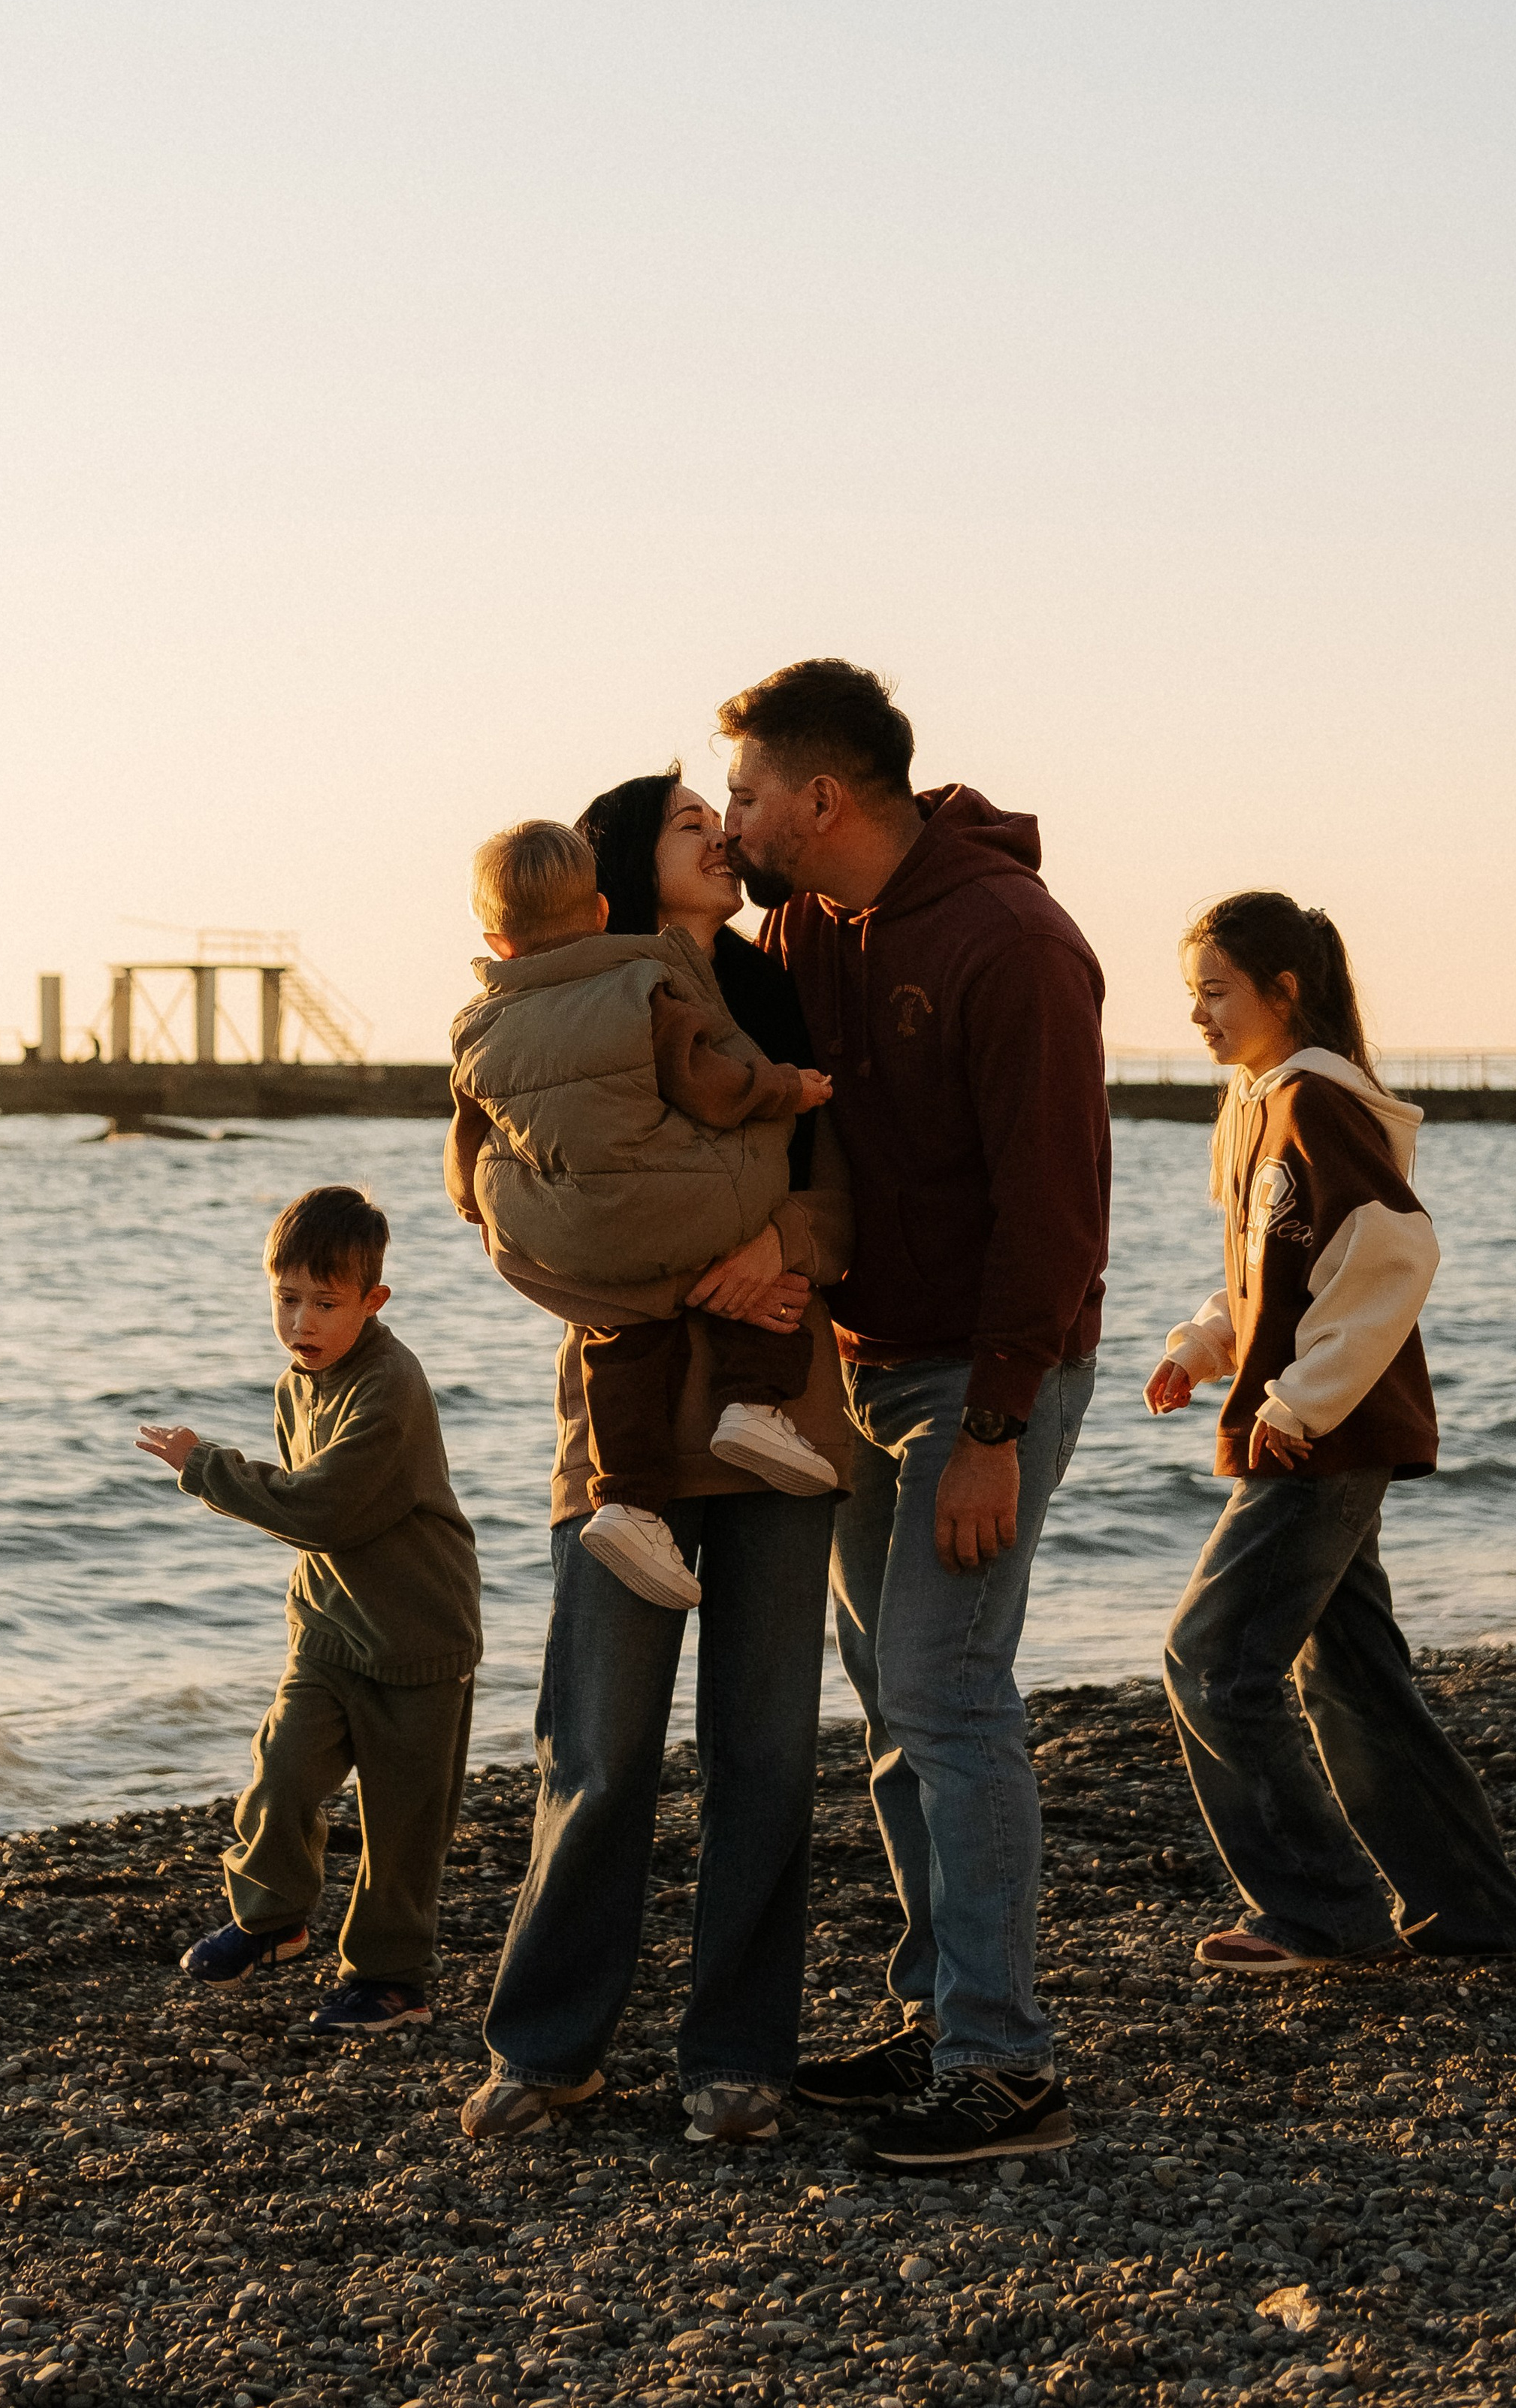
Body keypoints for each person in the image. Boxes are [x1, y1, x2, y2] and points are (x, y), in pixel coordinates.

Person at [718, 660, 1110, 2170]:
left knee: (949, 1692)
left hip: (987, 1377)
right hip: (862, 1366)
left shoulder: (1014, 945)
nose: (734, 821)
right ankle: (940, 2011)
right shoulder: (806, 920)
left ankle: (1007, 2068)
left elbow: (1054, 1212)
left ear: (819, 799)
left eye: (747, 794)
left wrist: (995, 1433)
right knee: (890, 1695)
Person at [453, 772, 857, 2150]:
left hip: (780, 1417)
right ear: (624, 865)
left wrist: (773, 1249)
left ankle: (737, 2058)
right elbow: (491, 1203)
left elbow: (845, 1194)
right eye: (692, 822)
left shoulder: (773, 996)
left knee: (767, 1751)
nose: (724, 836)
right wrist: (664, 1281)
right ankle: (547, 2048)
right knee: (599, 1749)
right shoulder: (556, 1006)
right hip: (619, 1440)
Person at [1147, 891, 1516, 1971]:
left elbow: (1394, 1253)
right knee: (1354, 1678)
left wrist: (1299, 1401)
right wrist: (1204, 1345)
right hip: (1321, 1425)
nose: (1198, 1015)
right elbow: (1278, 1270)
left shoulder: (1313, 1102)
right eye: (1192, 995)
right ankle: (1475, 1916)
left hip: (1320, 1437)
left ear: (1285, 991)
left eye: (1216, 993)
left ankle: (1324, 1913)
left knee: (1210, 1661)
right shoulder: (1263, 1102)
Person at [448, 818, 838, 1609]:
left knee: (620, 1338)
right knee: (739, 1194)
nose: (721, 836)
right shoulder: (642, 984)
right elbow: (709, 1082)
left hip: (585, 1245)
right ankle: (752, 1403)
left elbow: (468, 1149)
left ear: (496, 940)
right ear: (601, 910)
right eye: (691, 824)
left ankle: (626, 1501)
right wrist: (785, 1090)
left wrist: (483, 1206)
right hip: (685, 1213)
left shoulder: (479, 1027)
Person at [133, 1186, 483, 2035]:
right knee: (281, 1772)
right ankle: (272, 1920)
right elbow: (307, 1515)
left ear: (373, 1300)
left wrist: (206, 1466)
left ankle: (391, 1980)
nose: (302, 1322)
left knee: (403, 1829)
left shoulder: (390, 1387)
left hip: (418, 1639)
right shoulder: (297, 1382)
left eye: (326, 1304)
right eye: (287, 1299)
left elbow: (322, 1508)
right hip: (328, 1628)